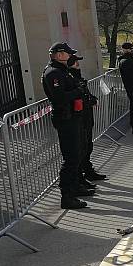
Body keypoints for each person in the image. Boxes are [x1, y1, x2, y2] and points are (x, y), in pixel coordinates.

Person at [42, 43, 91, 209]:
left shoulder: (63, 71)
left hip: (73, 117)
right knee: (71, 158)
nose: (70, 56)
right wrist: (78, 91)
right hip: (65, 118)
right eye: (68, 53)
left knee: (77, 153)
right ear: (59, 54)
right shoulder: (53, 73)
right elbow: (59, 97)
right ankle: (67, 195)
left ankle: (75, 186)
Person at [66, 52, 105, 186]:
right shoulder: (70, 78)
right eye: (76, 62)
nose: (78, 64)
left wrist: (92, 99)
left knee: (88, 145)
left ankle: (87, 170)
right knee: (81, 147)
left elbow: (85, 94)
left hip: (87, 117)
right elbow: (75, 98)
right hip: (80, 117)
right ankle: (81, 176)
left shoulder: (78, 78)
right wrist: (88, 102)